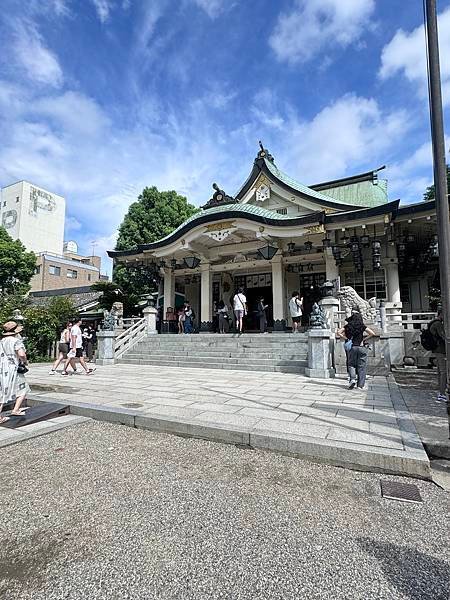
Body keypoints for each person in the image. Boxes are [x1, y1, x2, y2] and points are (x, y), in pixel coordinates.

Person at [0, 321, 31, 422]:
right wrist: (25, 361)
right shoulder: (16, 341)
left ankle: (15, 409)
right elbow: (21, 354)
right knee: (23, 388)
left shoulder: (2, 341)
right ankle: (15, 410)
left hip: (2, 369)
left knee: (3, 390)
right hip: (13, 369)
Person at [341, 312, 375, 390]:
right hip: (362, 347)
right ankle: (360, 385)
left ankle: (352, 379)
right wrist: (364, 339)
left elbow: (338, 332)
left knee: (351, 364)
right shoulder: (362, 326)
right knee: (362, 366)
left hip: (352, 348)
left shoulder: (347, 326)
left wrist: (346, 338)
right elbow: (372, 333)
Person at [429, 309, 447, 402]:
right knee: (443, 372)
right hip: (441, 350)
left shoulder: (433, 322)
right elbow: (443, 336)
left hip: (437, 350)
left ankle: (441, 391)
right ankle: (442, 393)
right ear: (441, 314)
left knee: (440, 371)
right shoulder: (438, 324)